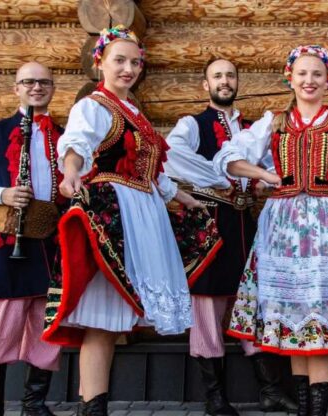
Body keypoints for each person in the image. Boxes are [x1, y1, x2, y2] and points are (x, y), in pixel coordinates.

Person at [215, 45, 328, 416]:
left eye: (317, 74)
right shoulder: (275, 121)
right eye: (302, 73)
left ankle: (316, 411)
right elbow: (228, 159)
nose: (309, 80)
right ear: (290, 78)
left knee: (322, 315)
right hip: (283, 229)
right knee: (292, 318)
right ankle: (305, 410)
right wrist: (265, 174)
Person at [41, 26, 217, 416]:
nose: (128, 68)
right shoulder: (94, 106)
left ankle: (95, 405)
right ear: (99, 61)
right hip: (115, 216)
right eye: (119, 60)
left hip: (144, 212)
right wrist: (70, 172)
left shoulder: (133, 111)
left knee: (115, 317)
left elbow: (150, 171)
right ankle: (92, 408)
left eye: (135, 62)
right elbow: (76, 144)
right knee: (102, 316)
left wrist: (182, 196)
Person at [164, 56, 296, 415]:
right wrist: (220, 175)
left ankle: (270, 390)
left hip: (246, 221)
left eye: (230, 76)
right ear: (205, 85)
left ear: (238, 83)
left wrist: (260, 178)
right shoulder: (192, 124)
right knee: (207, 302)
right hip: (210, 218)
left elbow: (270, 166)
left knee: (253, 299)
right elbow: (172, 156)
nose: (224, 81)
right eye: (217, 76)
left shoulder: (251, 129)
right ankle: (215, 398)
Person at [0, 62, 64, 416]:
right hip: (7, 240)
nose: (37, 87)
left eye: (44, 82)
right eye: (29, 82)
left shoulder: (64, 137)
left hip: (50, 240)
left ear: (52, 88)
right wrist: (2, 194)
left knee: (44, 322)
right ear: (15, 88)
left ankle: (35, 405)